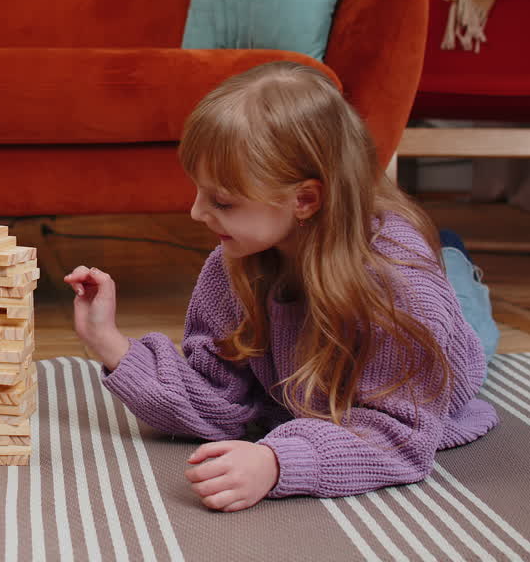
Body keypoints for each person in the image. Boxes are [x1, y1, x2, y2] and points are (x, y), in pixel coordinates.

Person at [65, 61, 499, 513]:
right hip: (350, 283)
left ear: (305, 200)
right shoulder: (235, 262)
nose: (195, 213)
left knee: (471, 325)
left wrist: (278, 462)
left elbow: (398, 434)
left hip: (426, 304)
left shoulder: (404, 294)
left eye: (222, 201)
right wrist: (109, 342)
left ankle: (453, 262)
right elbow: (218, 397)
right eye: (199, 191)